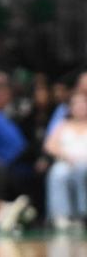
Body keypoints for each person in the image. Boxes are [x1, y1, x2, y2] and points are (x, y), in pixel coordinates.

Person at [43, 91, 87, 229]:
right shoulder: (62, 125)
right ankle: (61, 216)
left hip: (85, 163)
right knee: (58, 173)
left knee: (81, 170)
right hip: (66, 161)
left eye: (83, 103)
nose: (80, 107)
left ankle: (82, 214)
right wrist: (66, 156)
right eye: (76, 104)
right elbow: (49, 145)